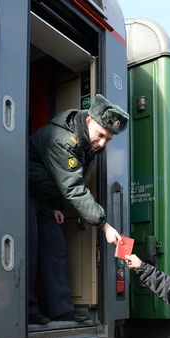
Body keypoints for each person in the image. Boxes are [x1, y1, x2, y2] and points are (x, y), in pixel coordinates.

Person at [28, 94, 129, 325]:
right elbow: (73, 188)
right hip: (24, 190)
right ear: (89, 121)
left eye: (109, 140)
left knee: (55, 247)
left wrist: (55, 205)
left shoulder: (86, 144)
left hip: (43, 196)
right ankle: (28, 310)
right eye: (101, 135)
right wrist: (104, 225)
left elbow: (57, 175)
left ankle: (60, 309)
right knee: (30, 247)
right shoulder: (63, 140)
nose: (102, 143)